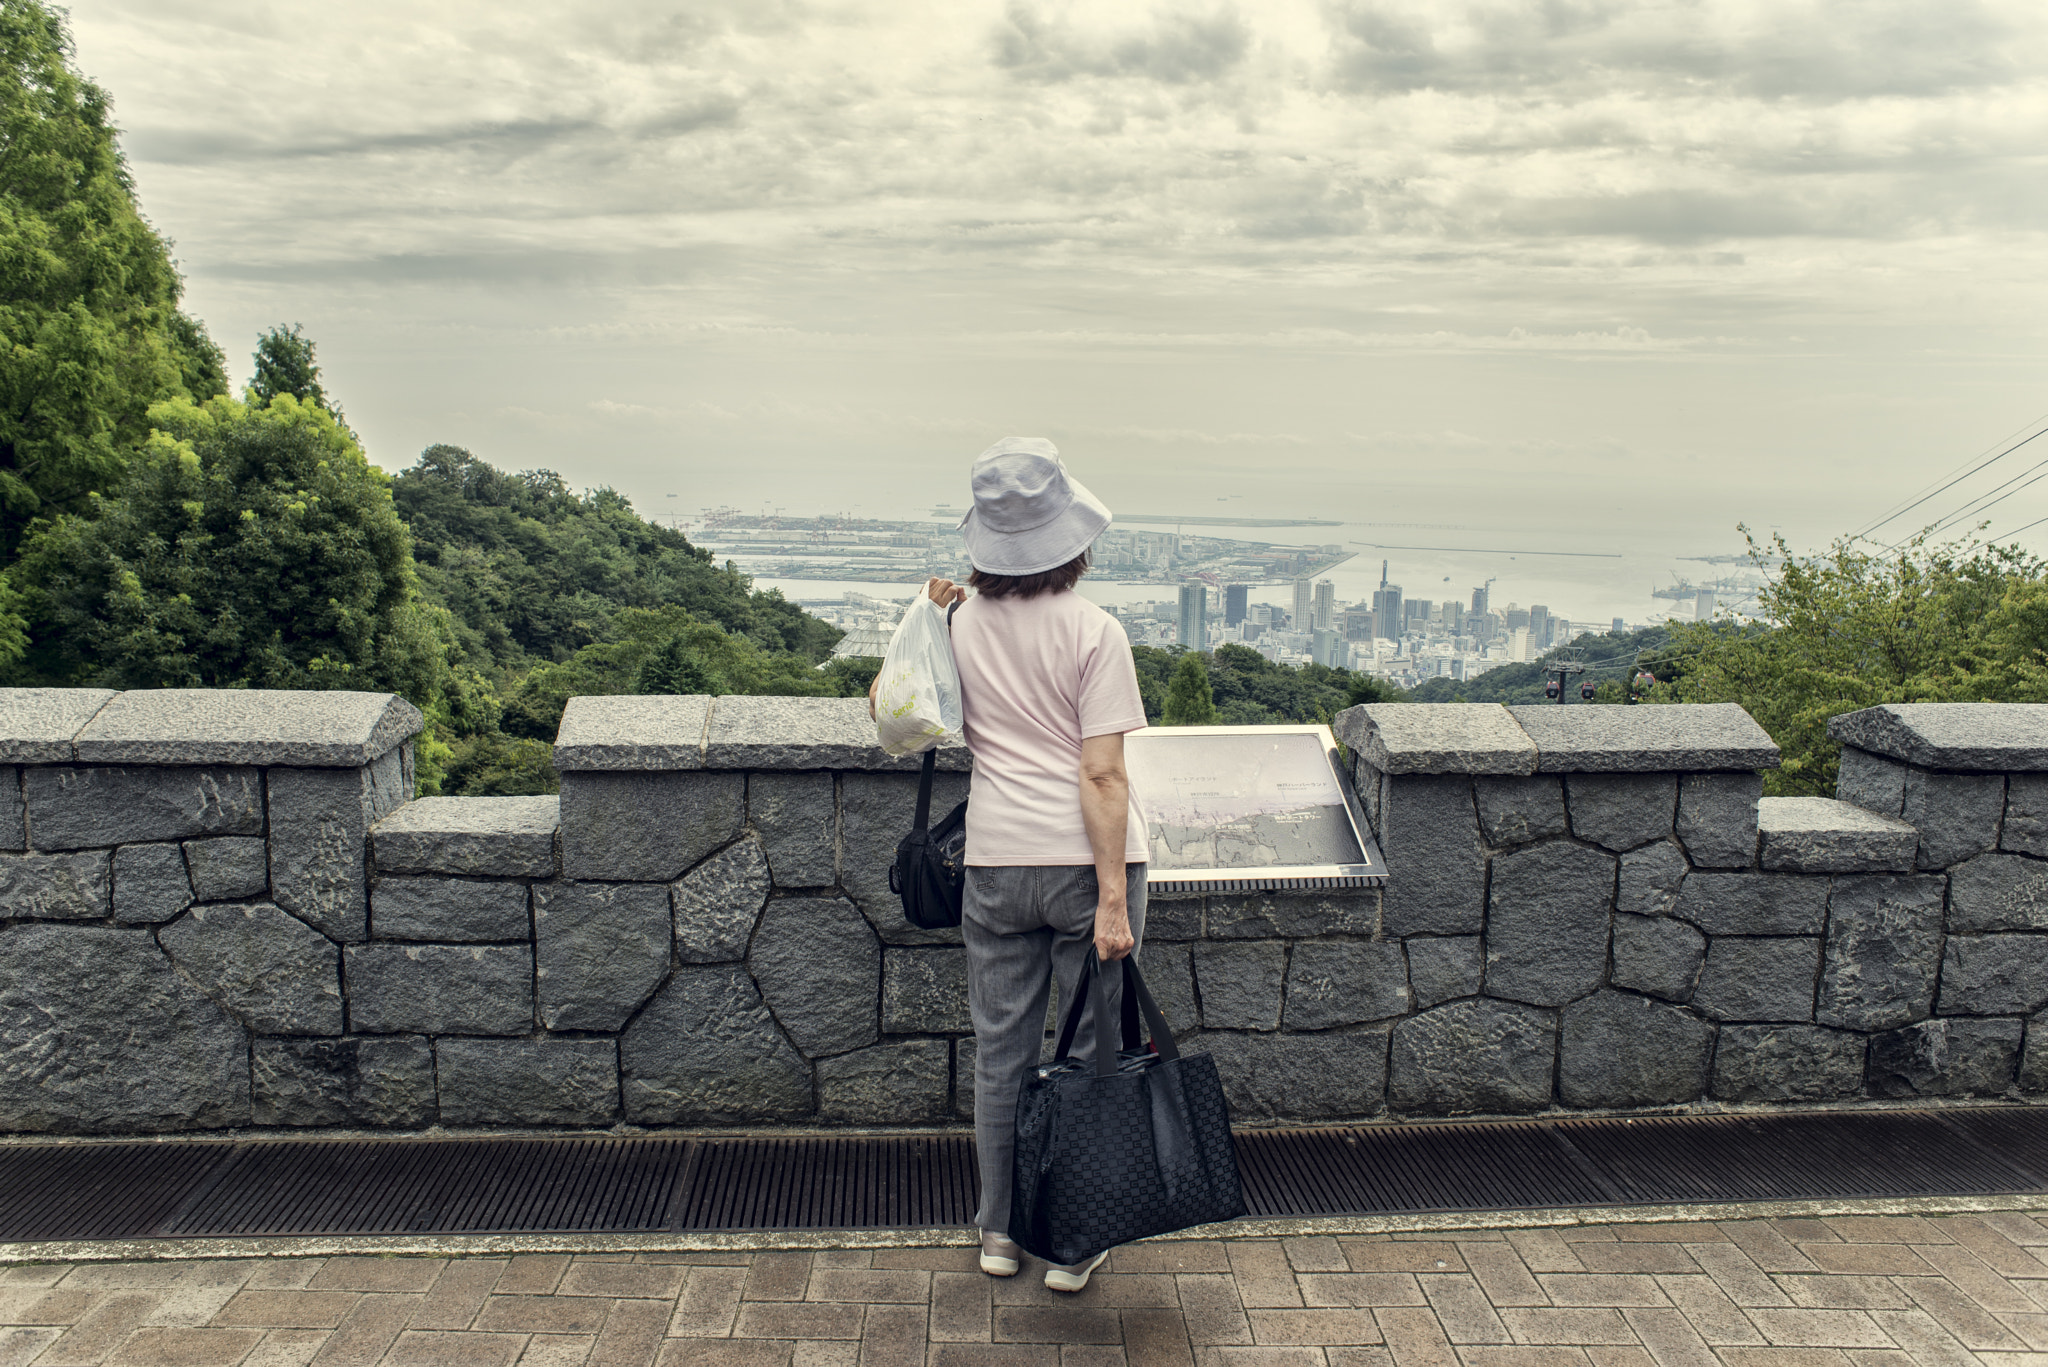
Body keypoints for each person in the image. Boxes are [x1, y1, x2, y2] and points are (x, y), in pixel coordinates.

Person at [874, 437, 1150, 1293]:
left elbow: (891, 713)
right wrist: (1112, 900)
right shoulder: (1096, 632)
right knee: (1088, 1054)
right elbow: (1102, 773)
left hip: (991, 863)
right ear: (1069, 538)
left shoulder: (958, 622)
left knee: (1002, 1053)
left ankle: (998, 1230)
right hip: (1083, 864)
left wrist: (922, 614)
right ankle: (1072, 1242)